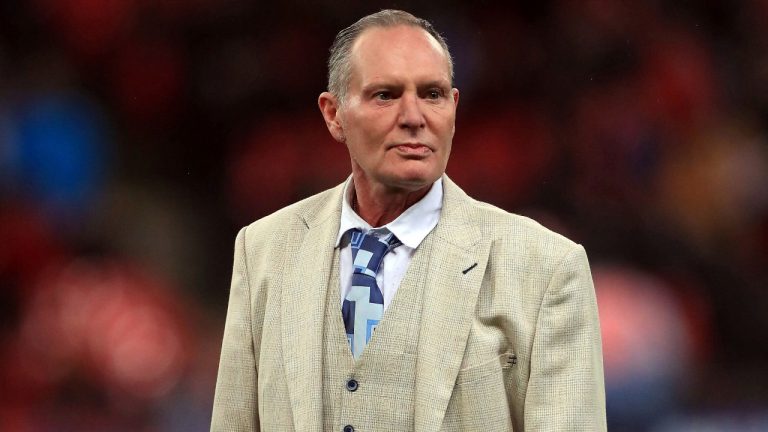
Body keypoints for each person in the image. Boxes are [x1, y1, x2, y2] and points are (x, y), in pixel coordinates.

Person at [211, 9, 606, 432]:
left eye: (432, 94)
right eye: (386, 94)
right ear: (333, 114)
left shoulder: (545, 266)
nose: (414, 117)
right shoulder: (264, 249)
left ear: (453, 109)